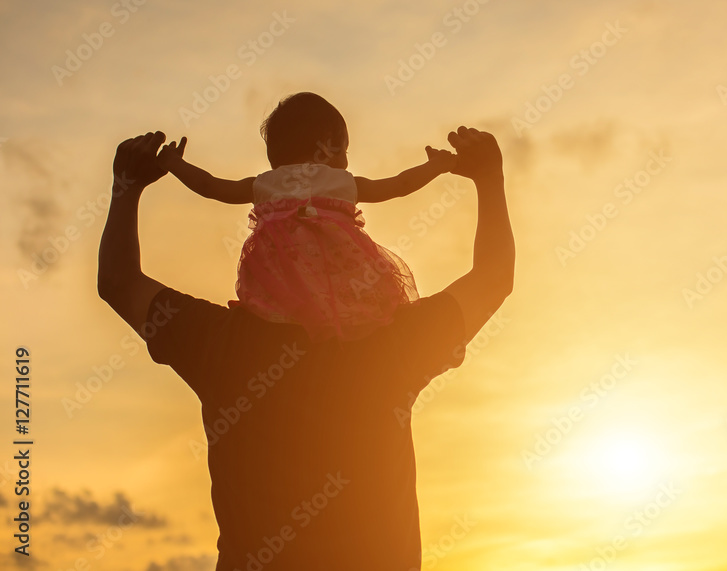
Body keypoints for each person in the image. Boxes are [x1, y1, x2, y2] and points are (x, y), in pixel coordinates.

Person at [97, 125, 514, 570]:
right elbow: (493, 278)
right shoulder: (393, 345)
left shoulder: (220, 343)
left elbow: (119, 282)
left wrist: (128, 185)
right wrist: (488, 178)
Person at [156, 92, 458, 341]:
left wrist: (174, 164)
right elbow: (398, 186)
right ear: (325, 147)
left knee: (280, 319)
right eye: (344, 150)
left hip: (281, 285)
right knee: (361, 310)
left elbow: (212, 187)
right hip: (339, 278)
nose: (346, 160)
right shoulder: (339, 181)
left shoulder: (265, 183)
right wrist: (435, 166)